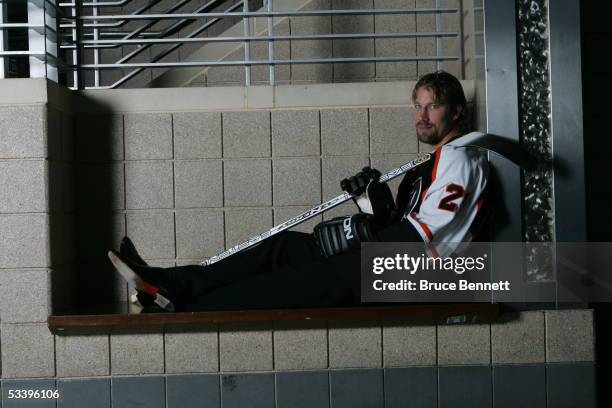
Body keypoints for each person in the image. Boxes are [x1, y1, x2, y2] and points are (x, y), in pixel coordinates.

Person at [108, 70, 489, 312]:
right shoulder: (431, 163)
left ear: (456, 112)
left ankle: (178, 306)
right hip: (387, 265)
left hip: (414, 276)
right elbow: (397, 223)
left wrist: (361, 237)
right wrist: (369, 198)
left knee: (284, 285)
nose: (421, 116)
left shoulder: (460, 159)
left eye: (433, 106)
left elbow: (423, 237)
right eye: (417, 106)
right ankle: (170, 282)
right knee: (283, 247)